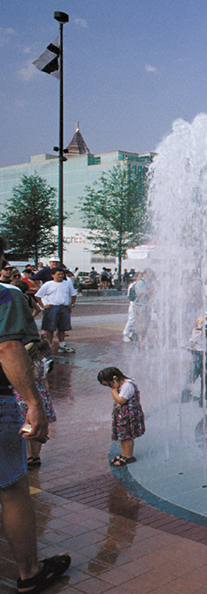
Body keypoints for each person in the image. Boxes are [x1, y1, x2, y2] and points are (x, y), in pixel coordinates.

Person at [0, 245, 71, 592]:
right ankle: (30, 571)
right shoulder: (6, 297)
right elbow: (8, 349)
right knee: (12, 490)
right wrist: (33, 402)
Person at [14, 340, 55, 470]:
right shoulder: (42, 363)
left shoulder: (22, 362)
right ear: (38, 352)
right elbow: (43, 379)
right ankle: (36, 456)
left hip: (23, 395)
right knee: (37, 427)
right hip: (40, 395)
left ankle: (28, 456)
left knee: (26, 425)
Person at [99, 367, 145, 466]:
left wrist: (113, 392)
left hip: (128, 416)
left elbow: (121, 400)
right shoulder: (123, 384)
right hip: (123, 416)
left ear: (114, 379)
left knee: (127, 436)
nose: (110, 388)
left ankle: (129, 456)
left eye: (109, 384)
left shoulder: (127, 386)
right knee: (122, 436)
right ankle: (124, 454)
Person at [33, 268, 77, 354]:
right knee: (50, 329)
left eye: (61, 274)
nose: (60, 276)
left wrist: (72, 304)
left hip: (64, 307)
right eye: (58, 274)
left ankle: (62, 345)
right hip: (52, 308)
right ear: (53, 275)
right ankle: (48, 346)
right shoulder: (48, 284)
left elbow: (73, 294)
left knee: (62, 328)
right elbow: (38, 295)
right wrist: (43, 306)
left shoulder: (67, 283)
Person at [123, 269, 152, 343]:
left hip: (139, 304)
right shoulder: (135, 284)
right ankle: (126, 335)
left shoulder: (143, 283)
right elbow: (139, 295)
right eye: (139, 276)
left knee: (139, 322)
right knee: (132, 321)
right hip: (135, 304)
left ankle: (134, 334)